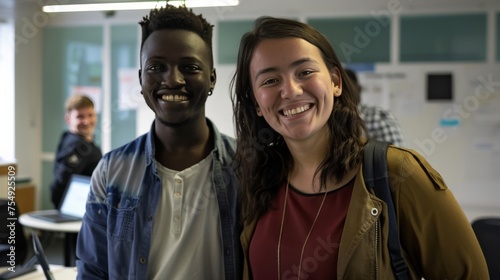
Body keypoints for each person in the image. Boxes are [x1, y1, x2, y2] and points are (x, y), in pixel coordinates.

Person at [230, 16, 488, 280]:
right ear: (257, 104)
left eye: (305, 72)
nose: (291, 90)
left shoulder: (398, 173)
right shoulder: (255, 182)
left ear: (336, 82)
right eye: (270, 80)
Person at [75, 5, 242, 280]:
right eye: (156, 67)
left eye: (189, 67)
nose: (173, 79)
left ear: (211, 78)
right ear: (141, 78)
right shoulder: (112, 170)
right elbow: (93, 269)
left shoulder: (247, 165)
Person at [50, 94, 102, 208]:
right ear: (68, 119)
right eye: (80, 116)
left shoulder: (74, 139)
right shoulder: (77, 146)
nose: (86, 121)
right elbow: (62, 182)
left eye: (90, 115)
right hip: (77, 209)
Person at [345, 68, 407, 147]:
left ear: (359, 89)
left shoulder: (379, 117)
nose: (341, 94)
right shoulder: (330, 119)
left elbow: (397, 157)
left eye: (346, 89)